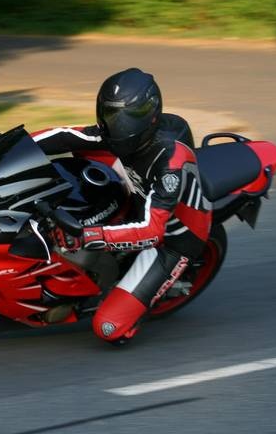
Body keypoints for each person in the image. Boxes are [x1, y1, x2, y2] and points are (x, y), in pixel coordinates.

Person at [31, 67, 212, 344]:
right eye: (111, 114)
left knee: (107, 328)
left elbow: (152, 231)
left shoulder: (170, 163)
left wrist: (88, 236)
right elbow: (68, 135)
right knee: (78, 154)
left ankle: (139, 300)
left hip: (174, 237)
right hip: (140, 195)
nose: (119, 125)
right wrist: (9, 145)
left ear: (151, 114)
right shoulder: (116, 134)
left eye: (128, 117)